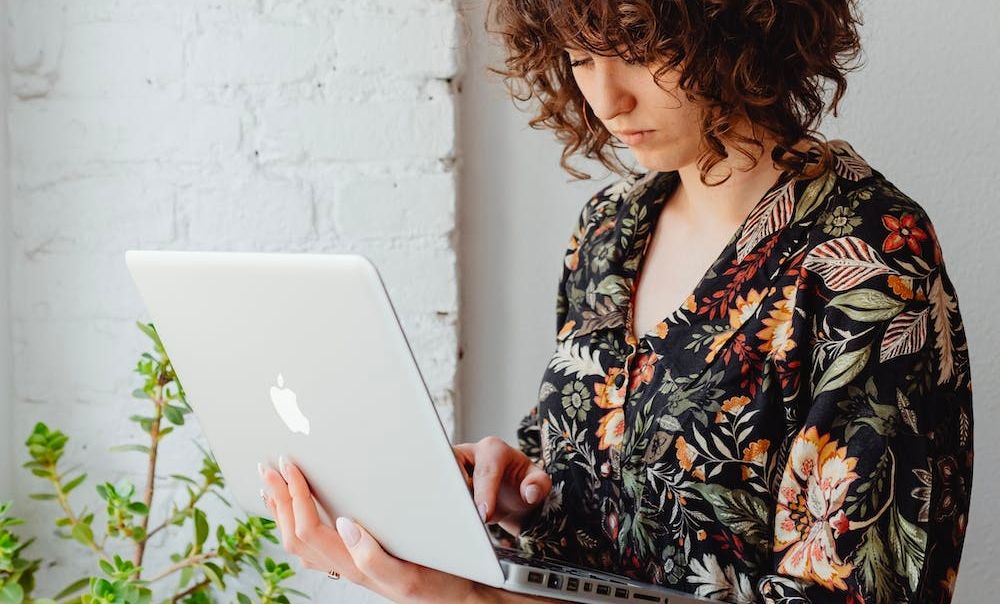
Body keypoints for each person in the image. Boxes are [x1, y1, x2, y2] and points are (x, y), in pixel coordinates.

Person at [259, 1, 974, 602]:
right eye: (578, 58)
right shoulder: (609, 231)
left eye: (635, 46)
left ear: (736, 26)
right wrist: (515, 499)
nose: (606, 99)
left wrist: (473, 600)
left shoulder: (868, 263)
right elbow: (604, 517)